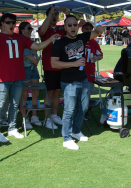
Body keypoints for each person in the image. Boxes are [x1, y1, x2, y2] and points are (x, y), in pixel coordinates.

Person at [0, 13, 59, 143]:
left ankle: (12, 128)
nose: (12, 25)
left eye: (13, 22)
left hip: (18, 76)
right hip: (2, 77)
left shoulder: (20, 38)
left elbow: (37, 46)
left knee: (15, 104)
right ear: (1, 23)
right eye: (8, 22)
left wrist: (50, 40)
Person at [51, 15, 104, 150]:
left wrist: (99, 29)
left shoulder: (82, 37)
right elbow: (54, 63)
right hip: (69, 82)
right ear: (65, 27)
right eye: (70, 25)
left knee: (83, 107)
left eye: (75, 24)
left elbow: (97, 32)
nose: (73, 27)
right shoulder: (59, 43)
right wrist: (73, 63)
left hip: (83, 79)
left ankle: (76, 131)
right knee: (69, 110)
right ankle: (66, 138)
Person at [38, 6, 69, 129]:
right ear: (48, 15)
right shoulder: (45, 28)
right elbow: (41, 32)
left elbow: (71, 28)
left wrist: (66, 14)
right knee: (49, 93)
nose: (55, 16)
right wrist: (50, 12)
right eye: (53, 14)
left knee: (57, 92)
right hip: (50, 66)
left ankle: (54, 115)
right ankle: (46, 118)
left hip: (61, 66)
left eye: (57, 14)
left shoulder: (60, 28)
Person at [19, 21, 41, 129]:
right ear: (22, 30)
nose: (30, 31)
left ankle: (34, 116)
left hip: (33, 69)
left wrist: (36, 60)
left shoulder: (32, 41)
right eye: (28, 29)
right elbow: (17, 59)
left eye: (31, 29)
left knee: (35, 92)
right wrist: (28, 57)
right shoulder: (19, 41)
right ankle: (25, 119)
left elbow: (34, 55)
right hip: (24, 69)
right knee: (24, 95)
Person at [81, 22, 103, 119]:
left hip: (90, 71)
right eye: (86, 28)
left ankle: (85, 112)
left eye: (90, 29)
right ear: (82, 29)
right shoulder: (79, 39)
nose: (88, 30)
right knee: (78, 92)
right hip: (78, 71)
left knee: (88, 92)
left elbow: (100, 55)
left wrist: (96, 58)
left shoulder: (94, 42)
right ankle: (78, 112)